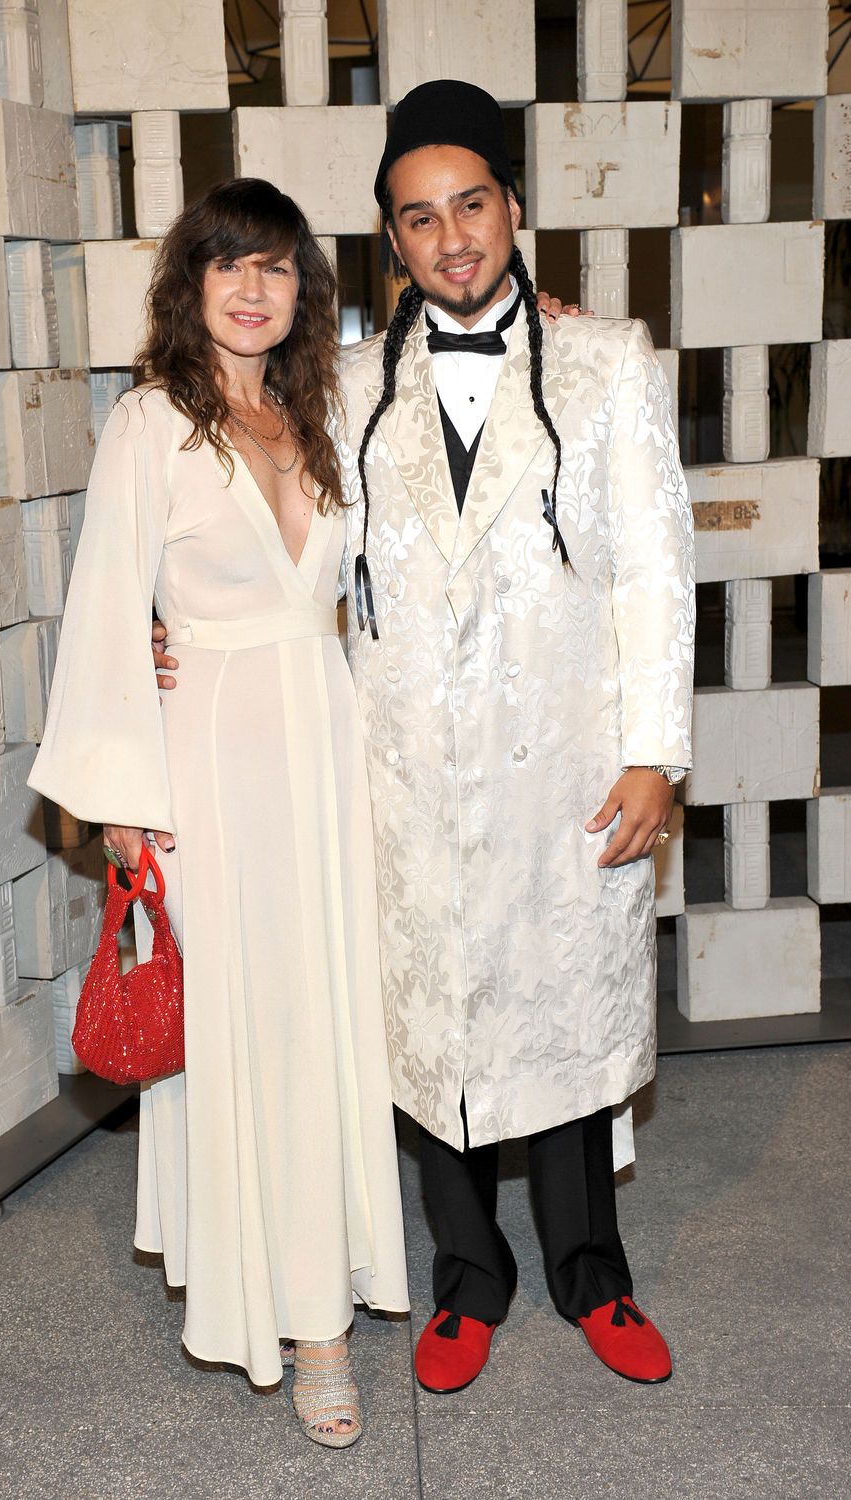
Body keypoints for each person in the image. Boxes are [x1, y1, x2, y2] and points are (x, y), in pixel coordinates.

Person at [29, 178, 411, 1449]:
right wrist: (127, 809)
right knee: (257, 1034)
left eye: (279, 267)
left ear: (306, 288)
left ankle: (333, 1269)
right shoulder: (149, 425)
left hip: (330, 749)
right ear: (191, 283)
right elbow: (102, 612)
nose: (254, 288)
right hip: (209, 777)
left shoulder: (330, 404)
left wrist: (546, 310)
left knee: (333, 1021)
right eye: (227, 265)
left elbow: (451, 341)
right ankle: (305, 1329)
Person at [333, 80, 696, 1393]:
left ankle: (591, 1274)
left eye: (469, 204)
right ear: (391, 240)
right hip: (407, 778)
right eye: (416, 218)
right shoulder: (346, 388)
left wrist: (654, 749)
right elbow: (291, 556)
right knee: (429, 1031)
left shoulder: (608, 363)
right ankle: (463, 1279)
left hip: (566, 768)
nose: (449, 237)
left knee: (568, 1026)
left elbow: (656, 569)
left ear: (512, 208)